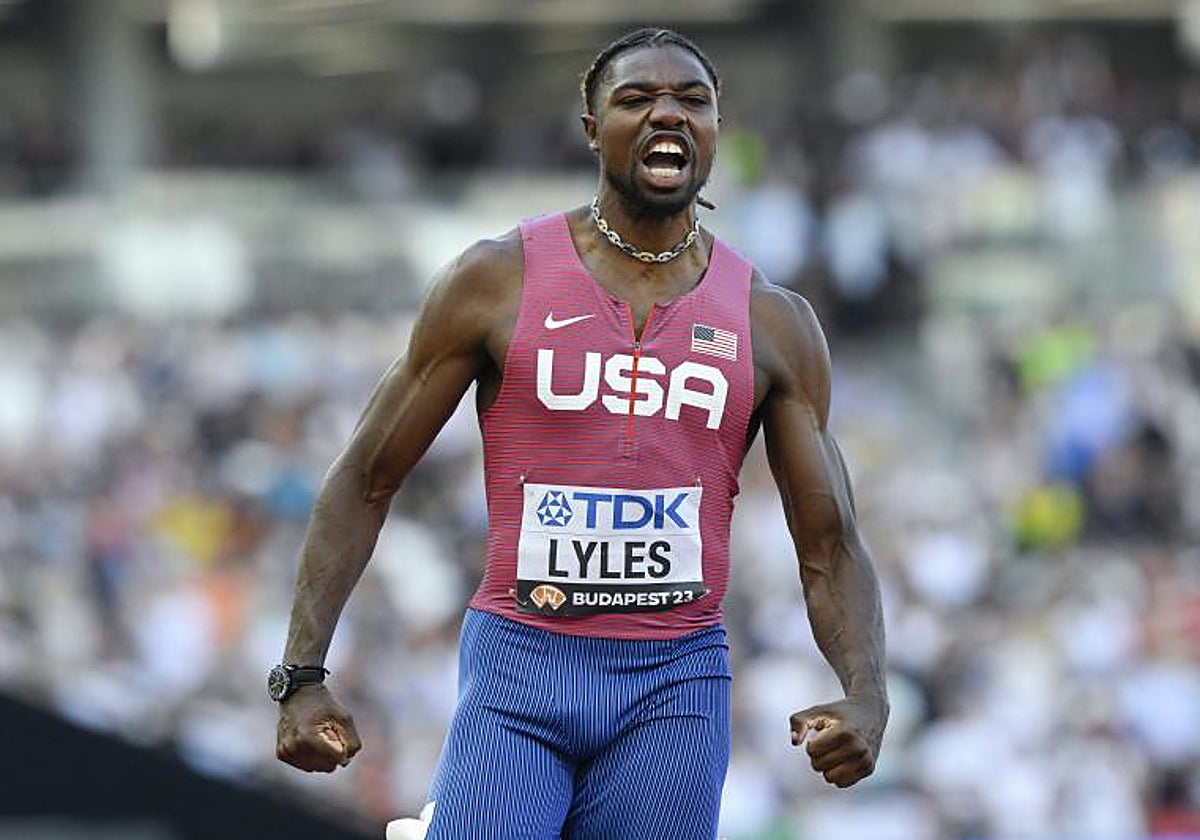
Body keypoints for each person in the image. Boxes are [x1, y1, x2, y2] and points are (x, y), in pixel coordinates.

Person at [272, 27, 888, 839]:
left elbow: (829, 539)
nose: (667, 114)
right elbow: (366, 475)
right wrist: (302, 675)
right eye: (636, 99)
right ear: (593, 129)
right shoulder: (497, 279)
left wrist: (867, 693)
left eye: (691, 101)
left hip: (674, 683)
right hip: (520, 668)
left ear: (714, 130)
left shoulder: (771, 321)